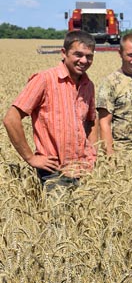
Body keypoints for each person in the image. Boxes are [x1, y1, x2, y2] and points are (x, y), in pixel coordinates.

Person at [3, 30, 98, 190]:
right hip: (54, 171)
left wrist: (93, 155)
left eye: (89, 56)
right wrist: (31, 158)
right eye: (78, 54)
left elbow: (91, 122)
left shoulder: (89, 85)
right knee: (58, 215)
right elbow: (11, 119)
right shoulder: (44, 79)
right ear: (64, 53)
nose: (84, 60)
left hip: (83, 169)